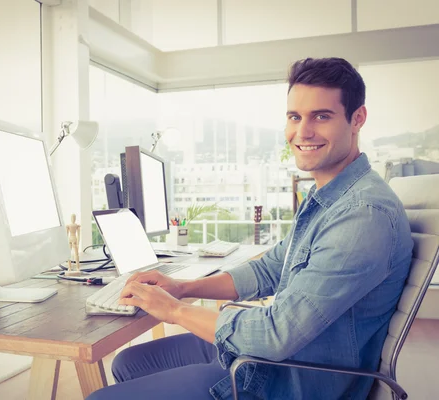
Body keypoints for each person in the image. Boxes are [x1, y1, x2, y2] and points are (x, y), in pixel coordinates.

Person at [86, 57, 413, 400]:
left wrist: (174, 310)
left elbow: (276, 335)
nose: (303, 132)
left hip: (288, 380)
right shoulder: (330, 197)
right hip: (278, 359)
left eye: (321, 116)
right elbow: (269, 268)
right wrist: (182, 287)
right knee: (128, 363)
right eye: (294, 116)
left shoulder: (362, 215)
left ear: (357, 119)